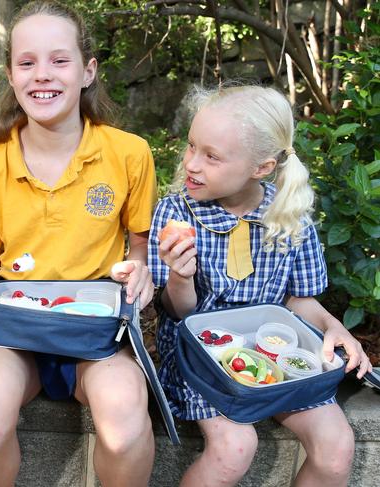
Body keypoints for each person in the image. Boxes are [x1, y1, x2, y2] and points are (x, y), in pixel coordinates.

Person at [0, 1, 157, 485]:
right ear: (11, 76)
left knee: (124, 428)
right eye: (26, 62)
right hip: (10, 332)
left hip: (94, 334)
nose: (42, 75)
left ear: (87, 71)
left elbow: (139, 249)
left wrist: (141, 272)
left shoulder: (129, 154)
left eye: (59, 60)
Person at [148, 84, 373, 487]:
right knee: (235, 448)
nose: (192, 165)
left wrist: (333, 327)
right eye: (191, 146)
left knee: (336, 447)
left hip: (274, 348)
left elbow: (299, 302)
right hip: (202, 358)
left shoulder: (290, 216)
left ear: (262, 167)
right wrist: (180, 276)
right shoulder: (176, 212)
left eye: (211, 156)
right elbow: (180, 313)